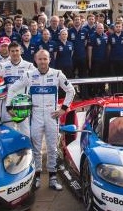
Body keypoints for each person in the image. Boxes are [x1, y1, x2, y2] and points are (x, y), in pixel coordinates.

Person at [7, 49, 75, 191]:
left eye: (45, 59)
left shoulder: (57, 74)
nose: (43, 62)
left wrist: (63, 108)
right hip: (35, 115)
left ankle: (53, 178)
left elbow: (71, 91)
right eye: (40, 59)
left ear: (49, 59)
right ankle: (36, 177)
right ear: (35, 60)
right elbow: (12, 88)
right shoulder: (28, 75)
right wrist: (9, 107)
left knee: (52, 147)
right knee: (36, 148)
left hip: (52, 115)